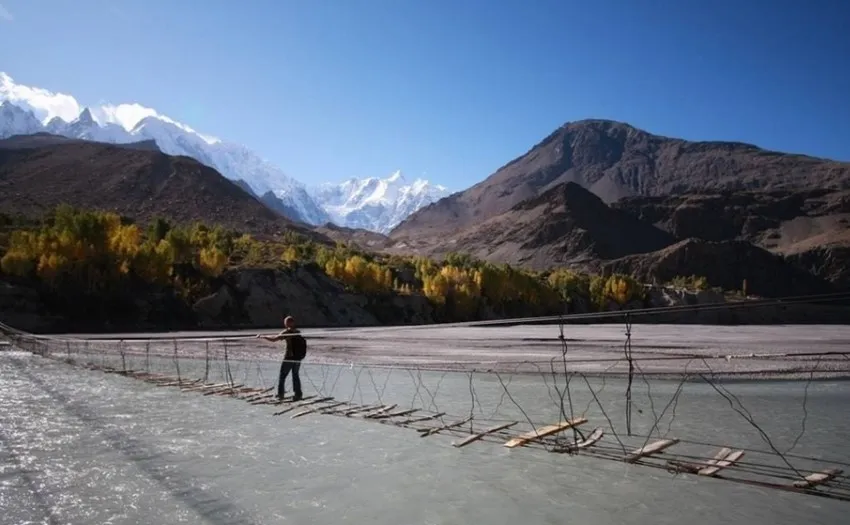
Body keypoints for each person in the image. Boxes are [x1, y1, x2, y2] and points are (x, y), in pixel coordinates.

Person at [257, 315, 307, 401]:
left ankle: (280, 395)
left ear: (287, 323)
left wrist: (262, 336)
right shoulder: (298, 332)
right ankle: (298, 394)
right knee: (295, 375)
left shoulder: (287, 332)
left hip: (289, 358)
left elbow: (274, 339)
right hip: (298, 358)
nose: (284, 324)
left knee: (282, 376)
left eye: (285, 322)